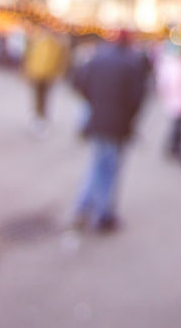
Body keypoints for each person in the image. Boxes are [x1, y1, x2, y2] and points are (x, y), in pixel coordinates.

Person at [68, 33, 149, 233]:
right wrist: (129, 119)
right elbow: (137, 98)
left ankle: (83, 207)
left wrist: (94, 103)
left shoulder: (97, 57)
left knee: (97, 164)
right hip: (117, 124)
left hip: (98, 120)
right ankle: (103, 214)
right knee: (109, 169)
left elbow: (79, 82)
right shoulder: (132, 63)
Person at [23, 23, 68, 135]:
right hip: (37, 74)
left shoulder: (56, 44)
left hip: (48, 75)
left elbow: (61, 61)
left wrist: (58, 73)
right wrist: (28, 71)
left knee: (45, 98)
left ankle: (42, 118)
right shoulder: (37, 41)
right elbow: (30, 57)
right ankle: (36, 116)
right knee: (37, 96)